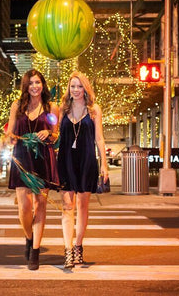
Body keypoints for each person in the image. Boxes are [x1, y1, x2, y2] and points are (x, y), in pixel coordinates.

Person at [6, 69, 59, 270]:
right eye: (31, 83)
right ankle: (29, 237)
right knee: (24, 208)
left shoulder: (51, 107)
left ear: (43, 85)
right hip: (21, 158)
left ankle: (35, 251)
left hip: (43, 158)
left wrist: (48, 133)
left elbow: (56, 135)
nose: (35, 86)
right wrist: (10, 137)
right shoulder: (17, 106)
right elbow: (11, 131)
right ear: (26, 86)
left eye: (38, 82)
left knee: (40, 205)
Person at [57, 71, 108, 269]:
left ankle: (78, 245)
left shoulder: (94, 109)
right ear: (68, 89)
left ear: (85, 88)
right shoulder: (62, 109)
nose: (76, 90)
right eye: (73, 86)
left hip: (87, 160)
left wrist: (104, 163)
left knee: (82, 205)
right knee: (67, 206)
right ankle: (68, 250)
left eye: (79, 86)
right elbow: (55, 136)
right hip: (66, 160)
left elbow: (99, 138)